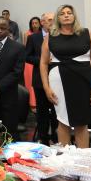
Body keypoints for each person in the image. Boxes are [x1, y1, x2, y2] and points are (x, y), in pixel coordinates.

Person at [40, 5, 91, 148]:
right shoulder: (51, 36)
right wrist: (46, 87)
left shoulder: (87, 34)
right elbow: (43, 63)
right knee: (62, 120)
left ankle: (83, 157)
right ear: (58, 18)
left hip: (84, 80)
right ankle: (65, 157)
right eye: (62, 13)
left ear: (74, 16)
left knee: (82, 121)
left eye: (69, 13)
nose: (66, 15)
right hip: (58, 80)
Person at [25, 12, 56, 144]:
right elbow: (27, 56)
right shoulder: (34, 38)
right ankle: (43, 139)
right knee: (42, 111)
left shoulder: (59, 36)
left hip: (57, 79)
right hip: (39, 80)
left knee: (56, 111)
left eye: (54, 20)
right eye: (50, 20)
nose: (53, 22)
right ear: (42, 22)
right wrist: (43, 60)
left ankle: (57, 138)